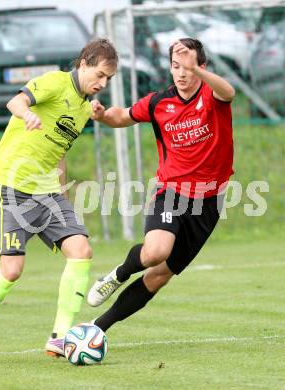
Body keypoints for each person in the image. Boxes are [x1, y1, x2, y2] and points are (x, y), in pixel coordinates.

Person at [0, 38, 118, 367]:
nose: (103, 84)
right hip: (12, 186)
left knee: (81, 250)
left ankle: (60, 336)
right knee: (12, 270)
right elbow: (15, 103)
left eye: (109, 79)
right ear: (84, 62)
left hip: (48, 193)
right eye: (101, 74)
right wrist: (28, 115)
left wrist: (63, 195)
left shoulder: (82, 108)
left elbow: (60, 153)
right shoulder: (54, 82)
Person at [87, 38, 235, 333]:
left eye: (189, 67)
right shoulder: (158, 102)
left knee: (159, 276)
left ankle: (96, 327)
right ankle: (118, 275)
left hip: (208, 203)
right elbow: (123, 115)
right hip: (172, 192)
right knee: (155, 252)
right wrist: (102, 116)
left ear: (202, 67)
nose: (181, 73)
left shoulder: (213, 95)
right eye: (176, 66)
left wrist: (199, 71)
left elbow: (228, 91)